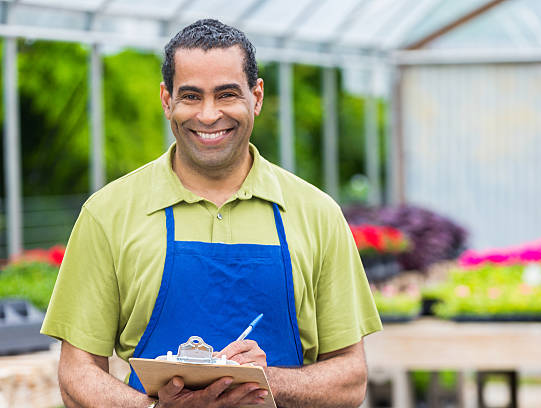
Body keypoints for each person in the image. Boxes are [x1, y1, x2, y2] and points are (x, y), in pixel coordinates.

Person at [41, 18, 382, 408]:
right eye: (190, 96)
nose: (207, 115)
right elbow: (76, 372)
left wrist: (262, 381)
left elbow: (351, 378)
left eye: (226, 94)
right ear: (167, 100)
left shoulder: (316, 214)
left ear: (256, 96)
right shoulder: (108, 213)